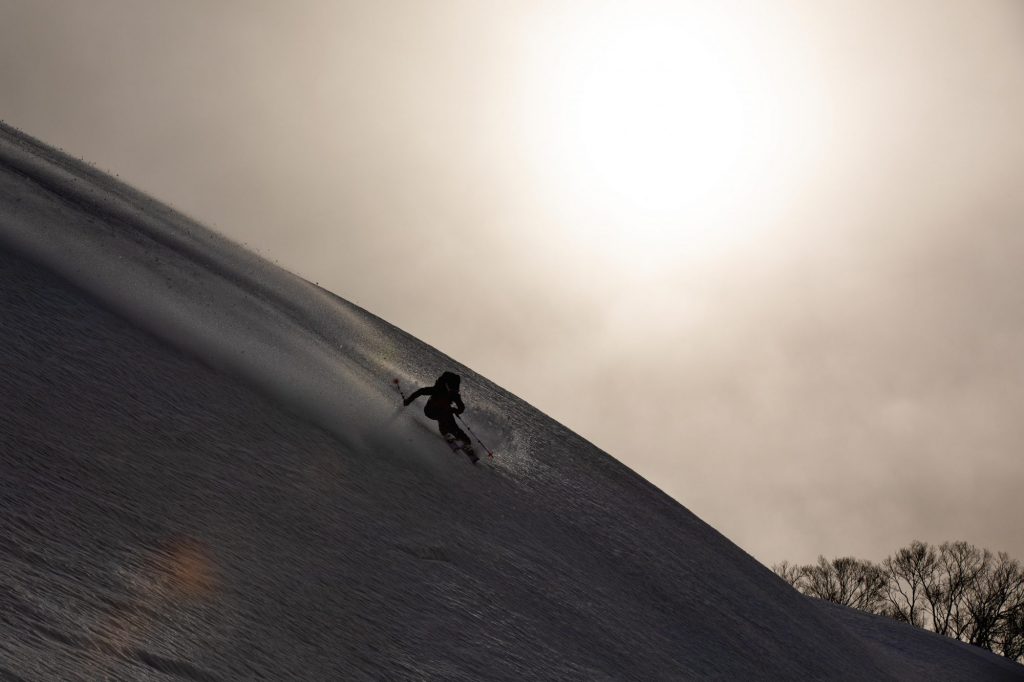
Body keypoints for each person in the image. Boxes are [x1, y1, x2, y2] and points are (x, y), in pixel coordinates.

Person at [403, 371, 478, 463]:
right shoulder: (437, 389)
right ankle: (447, 433)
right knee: (443, 418)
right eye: (452, 388)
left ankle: (466, 443)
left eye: (454, 389)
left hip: (445, 412)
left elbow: (461, 407)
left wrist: (455, 410)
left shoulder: (454, 394)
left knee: (453, 425)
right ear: (447, 385)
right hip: (430, 411)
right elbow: (421, 391)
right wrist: (408, 401)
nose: (453, 390)